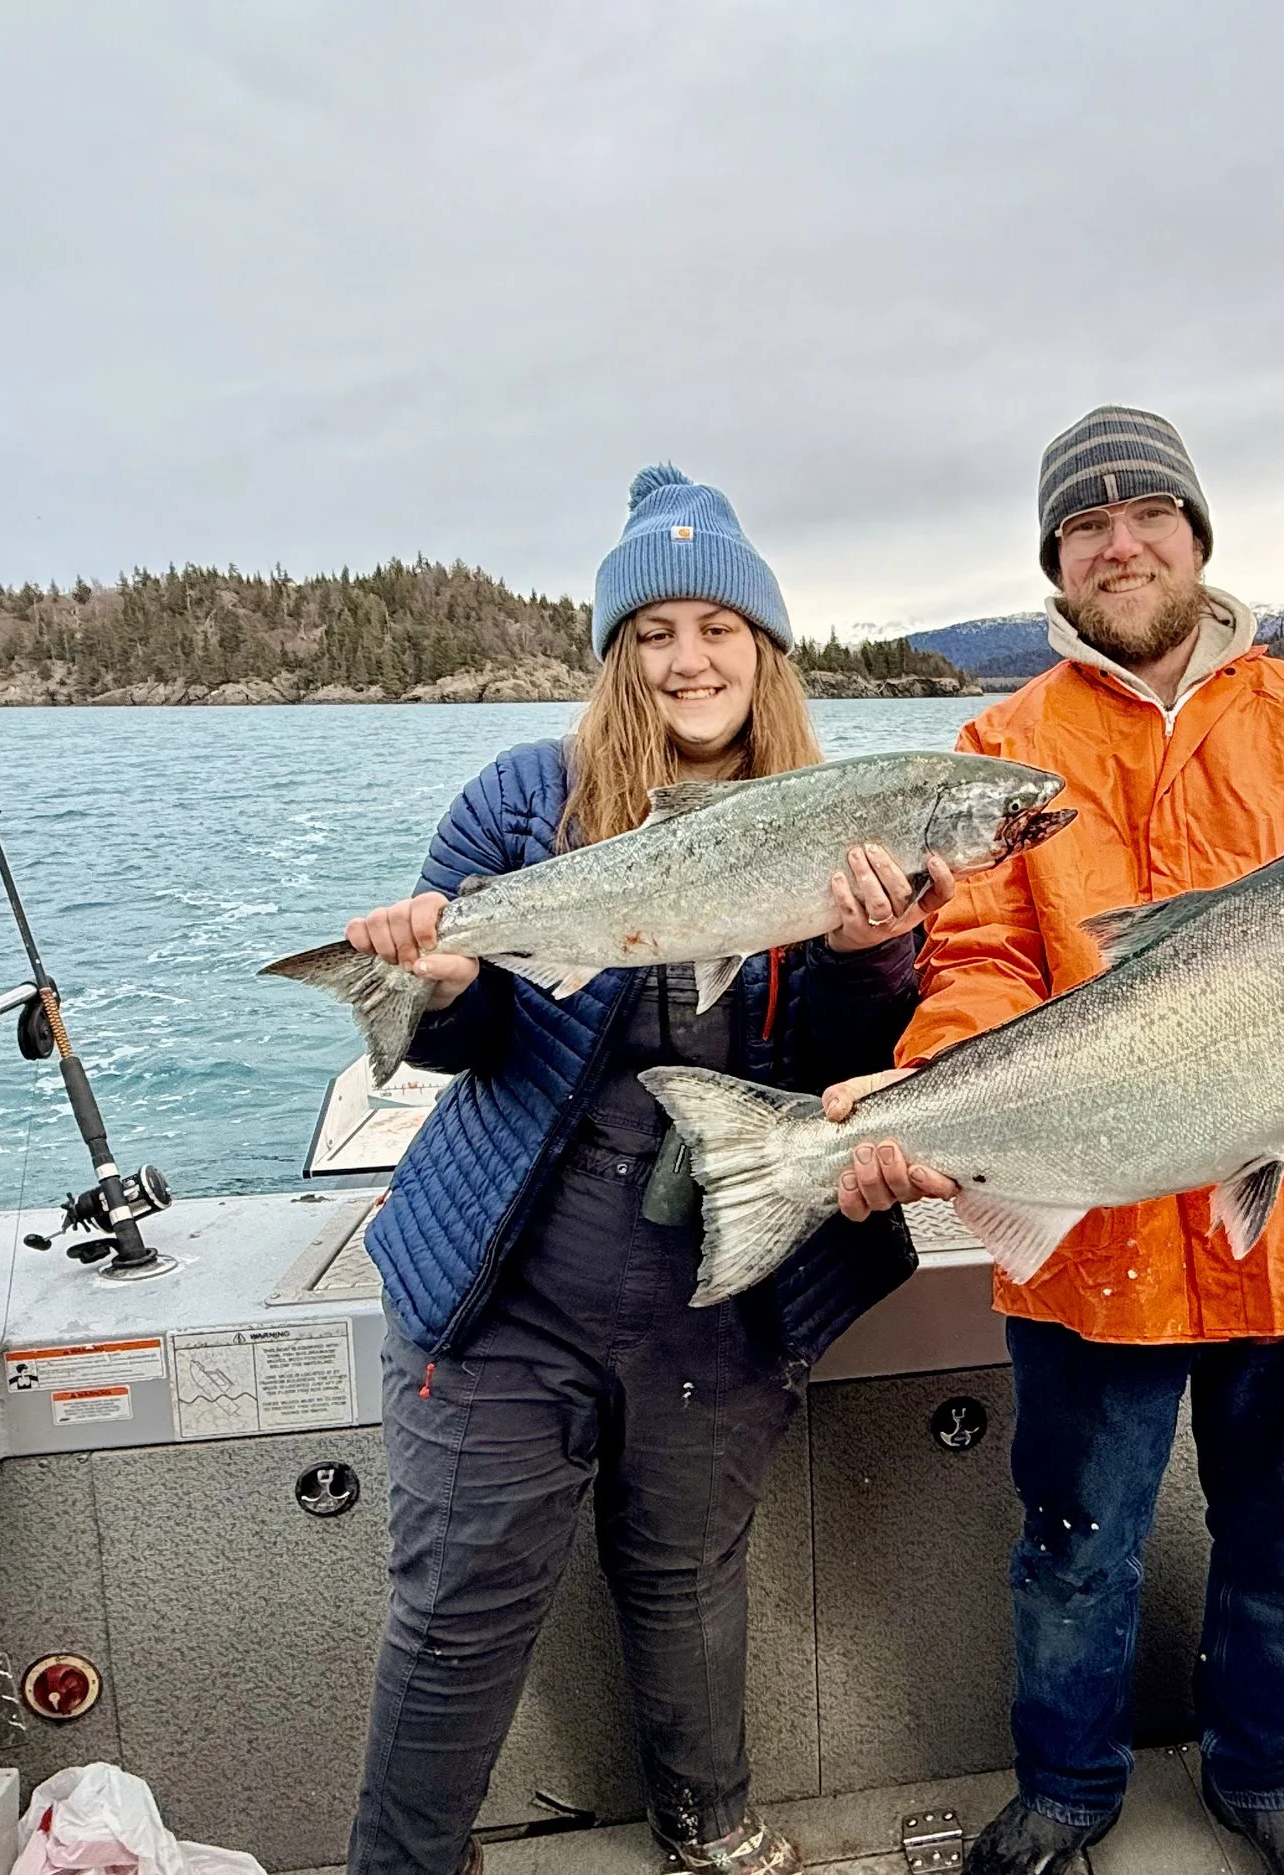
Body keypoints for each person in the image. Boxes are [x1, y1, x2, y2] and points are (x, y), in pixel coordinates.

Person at [826, 408, 1284, 1875]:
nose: (1120, 539)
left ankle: (1267, 1773)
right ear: (1057, 562)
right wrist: (930, 1093)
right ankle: (1071, 1785)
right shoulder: (1002, 749)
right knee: (1074, 1537)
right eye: (1084, 522)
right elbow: (977, 960)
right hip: (1090, 1209)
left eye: (1146, 508)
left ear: (1198, 535)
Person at [344, 465, 953, 1875]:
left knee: (689, 1575)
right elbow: (478, 1036)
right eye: (656, 631)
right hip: (512, 1272)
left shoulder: (837, 816)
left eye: (719, 628)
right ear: (621, 654)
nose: (690, 659)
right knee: (457, 1598)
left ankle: (707, 1820)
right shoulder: (522, 797)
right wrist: (434, 986)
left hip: (718, 1270)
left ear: (766, 648)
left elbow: (839, 1072)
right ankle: (404, 1859)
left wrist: (876, 956)